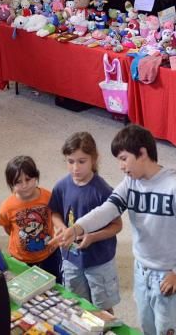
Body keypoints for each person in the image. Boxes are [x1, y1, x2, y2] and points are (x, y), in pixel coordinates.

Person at [53, 125, 176, 335]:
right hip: (141, 269)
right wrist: (76, 228)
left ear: (143, 153)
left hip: (168, 273)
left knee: (166, 328)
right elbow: (107, 209)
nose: (120, 166)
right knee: (146, 325)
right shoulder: (130, 182)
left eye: (124, 158)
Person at [48, 133, 122, 311]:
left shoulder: (103, 191)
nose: (75, 168)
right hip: (71, 259)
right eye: (70, 161)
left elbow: (117, 225)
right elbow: (54, 212)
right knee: (76, 304)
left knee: (103, 308)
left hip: (99, 261)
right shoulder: (62, 186)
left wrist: (93, 237)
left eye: (82, 161)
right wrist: (61, 227)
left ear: (94, 160)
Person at [0, 156, 61, 281]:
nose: (24, 185)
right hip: (21, 259)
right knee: (25, 288)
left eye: (28, 179)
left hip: (49, 255)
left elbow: (56, 215)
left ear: (36, 177)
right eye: (18, 182)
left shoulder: (48, 197)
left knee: (54, 286)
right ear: (11, 184)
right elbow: (8, 228)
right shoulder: (7, 206)